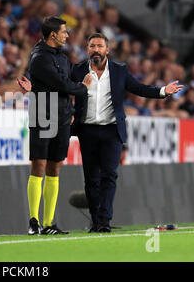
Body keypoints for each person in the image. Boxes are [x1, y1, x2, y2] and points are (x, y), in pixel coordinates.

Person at [70, 33, 183, 233]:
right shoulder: (77, 70)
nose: (96, 49)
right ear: (87, 49)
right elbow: (62, 89)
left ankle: (104, 221)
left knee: (110, 175)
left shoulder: (119, 70)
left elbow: (138, 88)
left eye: (99, 46)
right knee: (91, 179)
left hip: (112, 130)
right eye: (92, 46)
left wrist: (163, 91)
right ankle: (95, 221)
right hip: (86, 130)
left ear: (107, 50)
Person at [18, 16, 91, 235]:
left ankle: (49, 223)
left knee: (54, 168)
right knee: (39, 165)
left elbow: (60, 87)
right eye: (64, 31)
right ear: (53, 35)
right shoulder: (40, 57)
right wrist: (83, 87)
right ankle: (33, 221)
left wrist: (69, 110)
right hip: (42, 113)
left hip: (61, 115)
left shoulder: (61, 56)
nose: (67, 35)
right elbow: (62, 84)